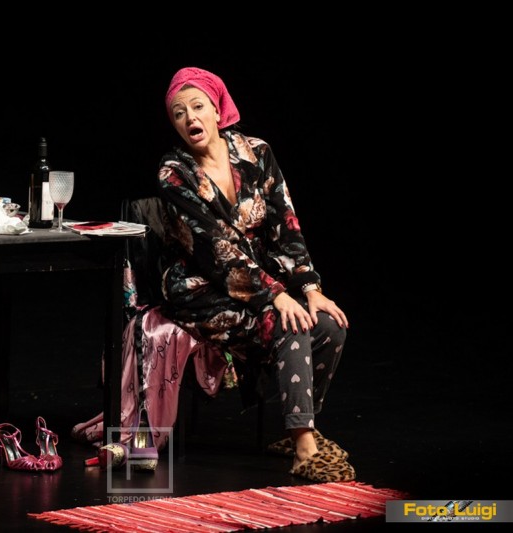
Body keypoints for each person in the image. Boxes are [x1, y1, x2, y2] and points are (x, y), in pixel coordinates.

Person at [155, 66, 355, 482]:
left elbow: (286, 225)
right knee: (288, 323)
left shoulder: (257, 153)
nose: (190, 118)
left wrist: (309, 287)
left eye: (198, 107)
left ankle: (300, 426)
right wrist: (276, 296)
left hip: (261, 283)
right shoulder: (174, 172)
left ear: (217, 109)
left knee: (329, 325)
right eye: (179, 113)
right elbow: (217, 253)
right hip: (202, 290)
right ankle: (304, 447)